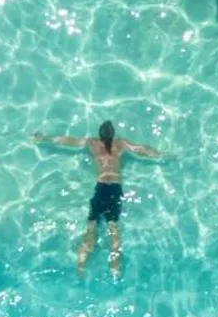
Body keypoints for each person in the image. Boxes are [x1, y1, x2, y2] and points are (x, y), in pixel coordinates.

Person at [32, 119, 162, 278]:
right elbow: (141, 150)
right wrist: (162, 155)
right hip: (114, 189)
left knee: (91, 229)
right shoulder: (120, 144)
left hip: (100, 189)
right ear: (113, 134)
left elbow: (67, 141)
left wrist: (44, 138)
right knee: (113, 230)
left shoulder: (92, 143)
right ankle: (115, 271)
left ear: (99, 134)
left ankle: (80, 269)